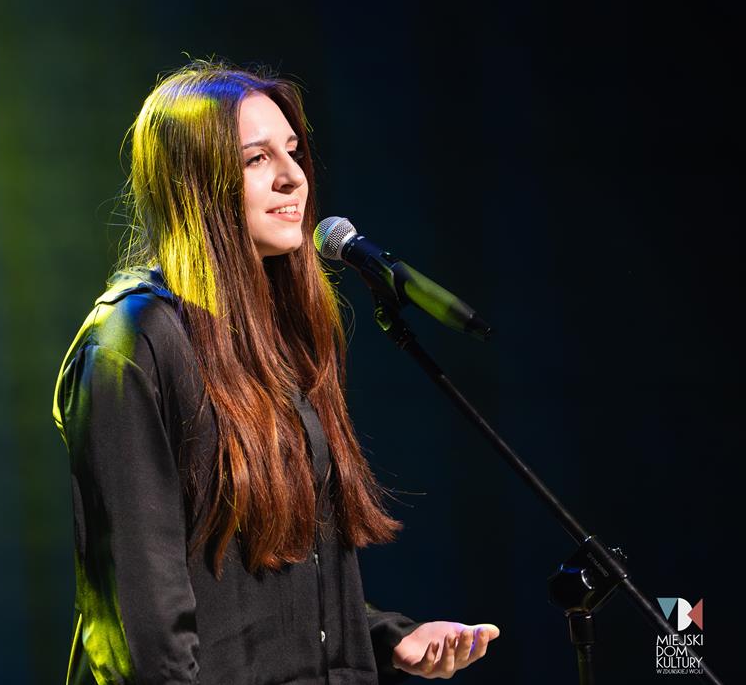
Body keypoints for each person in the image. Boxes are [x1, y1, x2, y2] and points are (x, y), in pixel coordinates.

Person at [52, 60, 500, 684]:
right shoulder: (133, 341)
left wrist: (384, 636)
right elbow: (142, 618)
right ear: (194, 183)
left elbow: (266, 577)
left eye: (292, 151)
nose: (294, 177)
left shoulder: (271, 331)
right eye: (256, 159)